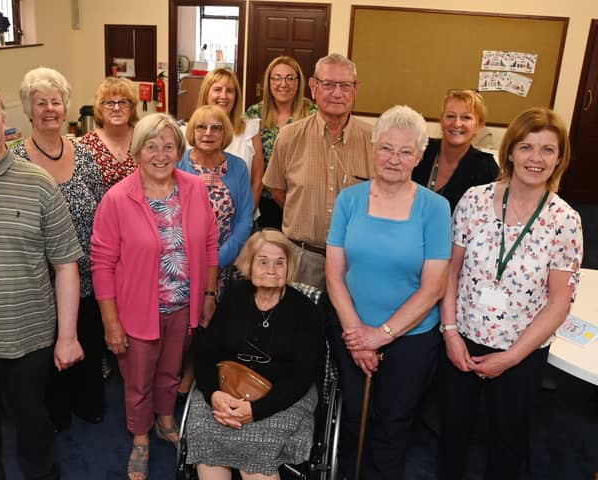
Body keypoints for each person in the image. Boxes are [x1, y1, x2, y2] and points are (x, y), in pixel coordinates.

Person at [438, 107, 583, 480]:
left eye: (547, 150)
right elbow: (451, 271)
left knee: (508, 441)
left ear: (559, 158)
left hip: (523, 351)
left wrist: (512, 357)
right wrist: (451, 333)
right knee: (452, 433)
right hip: (463, 340)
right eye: (526, 147)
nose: (536, 159)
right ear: (511, 152)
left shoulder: (565, 221)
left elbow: (558, 302)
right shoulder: (473, 200)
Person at [0, 73, 83, 480]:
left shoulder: (39, 183)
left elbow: (66, 264)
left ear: (3, 119)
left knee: (35, 435)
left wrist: (67, 336)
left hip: (28, 341)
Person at [326, 105, 451, 479]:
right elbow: (335, 275)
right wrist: (358, 338)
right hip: (351, 329)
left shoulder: (436, 208)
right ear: (374, 147)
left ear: (418, 157)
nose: (393, 159)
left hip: (410, 338)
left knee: (393, 422)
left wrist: (380, 336)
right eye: (386, 148)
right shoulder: (350, 199)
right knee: (351, 416)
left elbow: (433, 289)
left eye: (405, 151)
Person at [91, 112, 219, 480]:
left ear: (179, 151)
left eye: (168, 146)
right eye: (151, 146)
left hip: (183, 306)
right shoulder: (117, 199)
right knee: (138, 379)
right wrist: (110, 321)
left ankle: (165, 419)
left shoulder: (194, 188)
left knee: (170, 372)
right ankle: (141, 437)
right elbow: (102, 263)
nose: (160, 154)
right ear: (137, 152)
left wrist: (209, 293)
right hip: (136, 312)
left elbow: (210, 243)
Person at [185, 229, 323, 480]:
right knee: (204, 431)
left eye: (279, 262)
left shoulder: (305, 310)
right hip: (225, 389)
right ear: (249, 264)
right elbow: (206, 352)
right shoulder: (235, 297)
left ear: (289, 267)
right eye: (263, 261)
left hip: (281, 397)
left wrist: (255, 410)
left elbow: (303, 376)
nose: (271, 269)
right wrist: (214, 394)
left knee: (258, 448)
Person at [13, 66, 106, 431]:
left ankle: (87, 400)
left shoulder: (83, 153)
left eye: (56, 101)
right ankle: (55, 411)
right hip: (40, 279)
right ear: (29, 110)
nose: (50, 108)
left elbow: (101, 208)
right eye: (41, 103)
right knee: (46, 349)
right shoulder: (16, 160)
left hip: (87, 274)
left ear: (65, 107)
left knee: (89, 339)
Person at [263, 53, 374, 290]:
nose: (337, 93)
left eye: (346, 85)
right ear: (313, 87)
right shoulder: (289, 137)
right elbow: (278, 190)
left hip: (354, 263)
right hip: (301, 259)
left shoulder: (374, 141)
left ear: (356, 89)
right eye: (328, 84)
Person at [178, 105, 254, 284]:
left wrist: (217, 261)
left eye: (216, 128)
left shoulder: (239, 167)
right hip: (183, 265)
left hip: (227, 263)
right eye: (201, 127)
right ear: (192, 131)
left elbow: (245, 220)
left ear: (225, 133)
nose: (208, 133)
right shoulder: (178, 163)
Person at [245, 55, 317, 229]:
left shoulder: (312, 113)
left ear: (298, 82)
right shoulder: (254, 114)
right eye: (276, 78)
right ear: (268, 82)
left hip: (299, 200)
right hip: (263, 200)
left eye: (289, 78)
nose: (283, 84)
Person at [412, 89, 499, 212]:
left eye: (466, 117)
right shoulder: (420, 149)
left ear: (479, 126)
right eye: (451, 116)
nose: (457, 123)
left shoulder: (485, 168)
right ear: (441, 121)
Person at [195, 68, 263, 208]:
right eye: (218, 89)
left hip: (242, 219)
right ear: (206, 93)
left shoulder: (250, 130)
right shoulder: (189, 132)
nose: (224, 96)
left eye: (230, 91)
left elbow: (257, 182)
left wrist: (246, 220)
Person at [79, 77, 139, 190]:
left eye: (123, 102)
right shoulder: (86, 145)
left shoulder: (144, 139)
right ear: (100, 108)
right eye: (109, 103)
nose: (116, 108)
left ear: (131, 108)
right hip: (101, 207)